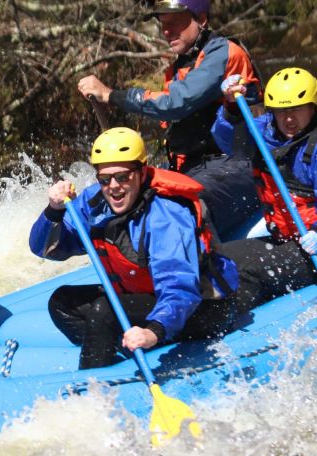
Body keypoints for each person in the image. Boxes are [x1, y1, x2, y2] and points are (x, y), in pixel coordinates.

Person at [29, 127, 238, 369]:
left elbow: (179, 287)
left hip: (197, 308)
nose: (114, 187)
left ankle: (94, 390)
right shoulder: (96, 201)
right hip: (145, 296)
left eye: (123, 177)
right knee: (62, 302)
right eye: (105, 179)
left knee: (104, 311)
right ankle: (116, 352)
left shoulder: (166, 216)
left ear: (141, 172)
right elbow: (46, 249)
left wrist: (154, 331)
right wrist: (53, 211)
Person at [77, 0, 263, 240]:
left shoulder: (223, 53)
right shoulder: (179, 67)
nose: (167, 30)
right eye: (163, 23)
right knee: (119, 198)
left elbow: (174, 104)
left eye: (176, 22)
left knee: (173, 208)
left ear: (202, 20)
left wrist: (111, 95)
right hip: (195, 167)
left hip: (236, 167)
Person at [213, 67, 317, 313]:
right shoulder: (266, 130)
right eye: (281, 111)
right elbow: (229, 141)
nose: (288, 119)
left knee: (249, 269)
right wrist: (231, 109)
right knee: (219, 257)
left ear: (313, 108)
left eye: (296, 109)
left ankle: (225, 318)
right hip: (284, 239)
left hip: (312, 248)